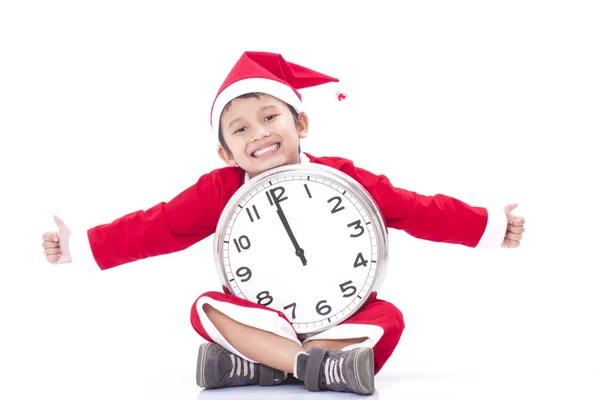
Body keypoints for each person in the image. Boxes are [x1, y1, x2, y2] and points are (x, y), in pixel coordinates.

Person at [41, 51, 526, 396]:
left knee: (388, 320)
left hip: (338, 316)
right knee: (206, 308)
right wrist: (80, 247)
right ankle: (312, 367)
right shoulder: (220, 190)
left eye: (270, 116)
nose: (260, 134)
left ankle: (257, 366)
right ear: (225, 152)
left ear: (302, 125)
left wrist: (486, 226)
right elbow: (159, 225)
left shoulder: (342, 178)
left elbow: (414, 208)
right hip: (265, 316)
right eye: (241, 129)